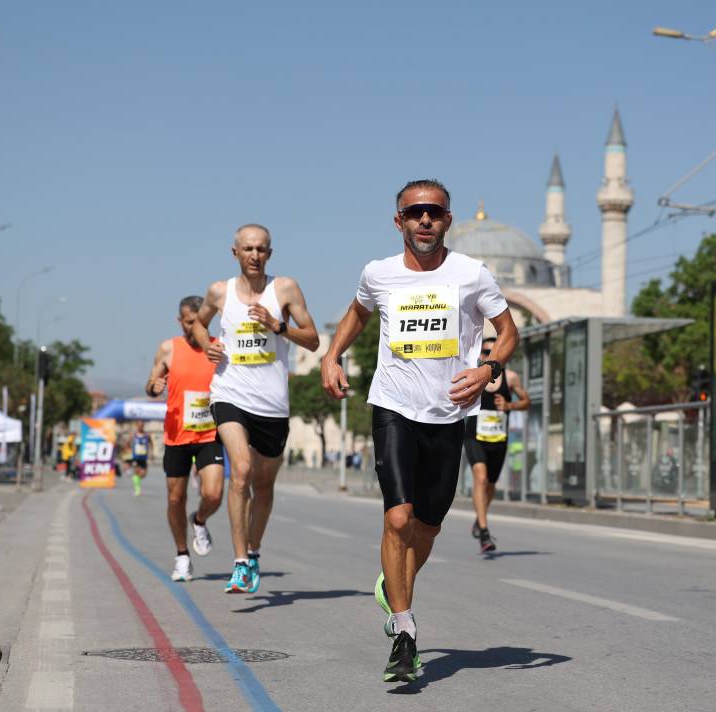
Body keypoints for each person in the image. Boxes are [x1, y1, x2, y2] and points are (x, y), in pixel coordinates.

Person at [321, 179, 518, 683]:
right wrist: (332, 354)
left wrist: (487, 371)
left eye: (433, 212)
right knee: (397, 519)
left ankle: (395, 584)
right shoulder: (378, 273)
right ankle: (404, 631)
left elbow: (508, 331)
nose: (424, 220)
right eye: (414, 213)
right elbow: (357, 313)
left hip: (448, 415)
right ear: (399, 221)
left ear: (448, 220)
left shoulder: (472, 274)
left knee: (427, 526)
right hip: (393, 407)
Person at [192, 223, 319, 593]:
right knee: (242, 471)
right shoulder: (219, 291)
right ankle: (240, 562)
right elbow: (199, 326)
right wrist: (207, 345)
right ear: (235, 253)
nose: (254, 255)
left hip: (273, 403)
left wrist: (278, 326)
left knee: (263, 486)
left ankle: (255, 549)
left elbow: (311, 340)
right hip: (230, 393)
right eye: (247, 249)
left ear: (270, 254)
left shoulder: (285, 289)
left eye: (261, 249)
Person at [146, 296, 226, 582]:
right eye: (189, 322)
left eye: (199, 322)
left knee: (214, 494)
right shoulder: (168, 349)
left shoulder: (217, 348)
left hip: (210, 433)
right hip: (176, 435)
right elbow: (152, 386)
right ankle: (182, 555)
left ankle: (200, 519)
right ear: (180, 321)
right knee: (175, 497)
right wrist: (154, 386)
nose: (194, 328)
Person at [464, 336, 529, 553]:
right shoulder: (473, 376)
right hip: (474, 436)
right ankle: (484, 532)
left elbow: (526, 401)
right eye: (485, 352)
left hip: (498, 439)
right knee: (480, 479)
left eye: (493, 352)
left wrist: (510, 405)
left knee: (490, 485)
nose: (488, 356)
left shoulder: (511, 378)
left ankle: (479, 518)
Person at [128, 421, 151, 496]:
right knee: (136, 472)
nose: (140, 427)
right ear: (137, 426)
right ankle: (137, 490)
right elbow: (128, 443)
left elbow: (151, 444)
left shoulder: (147, 435)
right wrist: (128, 450)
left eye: (142, 425)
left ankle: (137, 481)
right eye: (139, 426)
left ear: (143, 426)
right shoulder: (133, 435)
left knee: (143, 474)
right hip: (136, 457)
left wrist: (151, 453)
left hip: (144, 457)